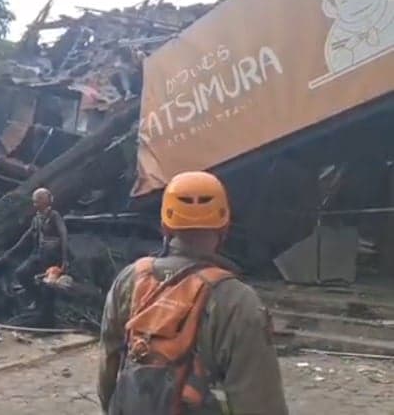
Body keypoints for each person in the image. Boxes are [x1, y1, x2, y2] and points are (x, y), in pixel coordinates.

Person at [97, 172, 288, 415]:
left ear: (165, 226)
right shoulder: (237, 301)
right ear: (224, 226)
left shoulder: (129, 279)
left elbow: (108, 367)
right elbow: (259, 401)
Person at [0, 188, 68, 320]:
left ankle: (46, 316)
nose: (35, 204)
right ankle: (37, 299)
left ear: (45, 201)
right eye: (34, 201)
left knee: (48, 285)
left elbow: (63, 234)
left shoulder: (54, 216)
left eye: (38, 201)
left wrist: (64, 259)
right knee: (21, 273)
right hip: (39, 254)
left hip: (52, 257)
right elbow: (27, 235)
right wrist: (11, 251)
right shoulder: (36, 218)